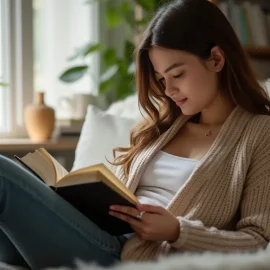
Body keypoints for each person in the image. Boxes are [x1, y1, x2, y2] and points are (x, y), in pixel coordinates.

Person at [1, 0, 270, 269]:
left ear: (216, 59)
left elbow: (258, 241)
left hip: (125, 253)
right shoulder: (162, 129)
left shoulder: (259, 135)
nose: (169, 90)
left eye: (177, 74)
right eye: (162, 79)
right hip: (101, 235)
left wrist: (177, 231)